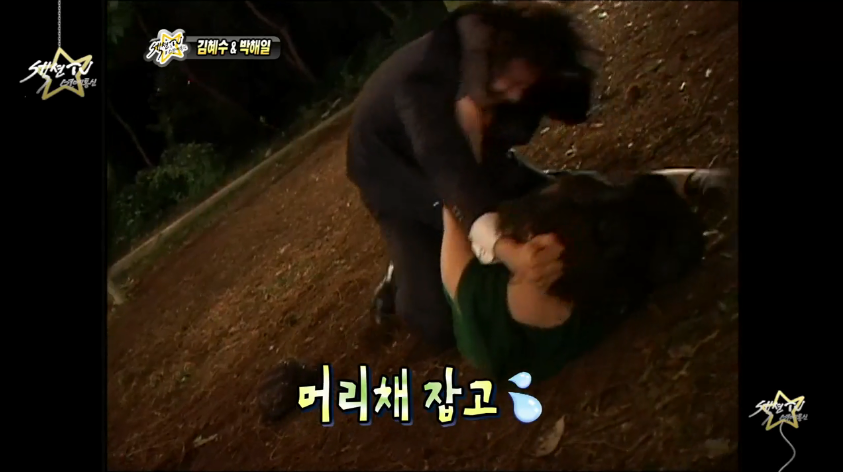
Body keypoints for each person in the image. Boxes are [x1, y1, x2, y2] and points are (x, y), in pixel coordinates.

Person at [347, 1, 598, 350]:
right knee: (438, 317)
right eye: (505, 89)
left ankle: (520, 188)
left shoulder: (517, 51)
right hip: (395, 173)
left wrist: (558, 76)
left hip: (479, 161)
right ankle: (398, 283)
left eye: (523, 85)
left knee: (560, 208)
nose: (516, 95)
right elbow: (448, 169)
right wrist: (508, 252)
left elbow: (576, 105)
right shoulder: (423, 91)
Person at [440, 167, 730, 382]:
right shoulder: (616, 282)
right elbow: (635, 204)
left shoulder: (479, 303)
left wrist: (500, 245)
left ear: (531, 238)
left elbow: (450, 201)